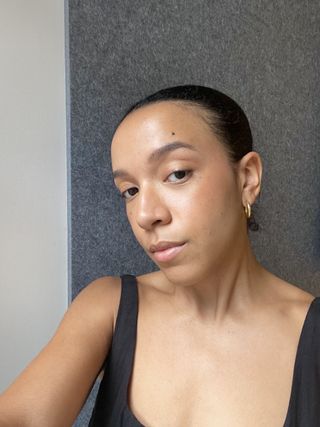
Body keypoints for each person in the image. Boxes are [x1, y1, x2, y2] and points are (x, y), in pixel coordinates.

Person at [0, 85, 319, 426]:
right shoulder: (108, 307)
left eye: (177, 173)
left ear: (247, 178)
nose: (145, 214)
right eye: (130, 191)